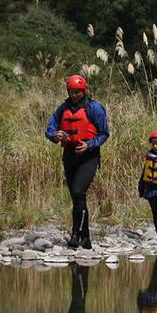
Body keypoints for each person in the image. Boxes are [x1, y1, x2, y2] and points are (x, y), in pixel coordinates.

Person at [45, 75, 109, 249]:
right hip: (69, 155)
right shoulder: (62, 108)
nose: (74, 95)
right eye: (71, 92)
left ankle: (75, 234)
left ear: (84, 91)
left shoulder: (95, 108)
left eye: (78, 92)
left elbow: (104, 133)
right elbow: (49, 129)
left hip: (89, 156)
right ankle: (85, 237)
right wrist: (55, 135)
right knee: (76, 198)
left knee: (79, 191)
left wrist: (89, 144)